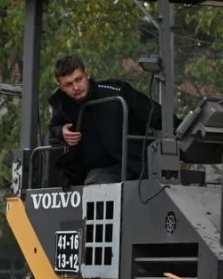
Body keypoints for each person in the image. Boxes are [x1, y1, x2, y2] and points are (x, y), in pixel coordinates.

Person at [47, 55, 162, 186]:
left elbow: (154, 113)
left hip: (133, 164)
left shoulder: (116, 92)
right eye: (68, 84)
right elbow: (53, 127)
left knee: (97, 183)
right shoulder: (63, 105)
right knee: (95, 182)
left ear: (87, 74)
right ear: (60, 87)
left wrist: (182, 134)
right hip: (94, 172)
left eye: (79, 79)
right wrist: (62, 132)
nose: (76, 87)